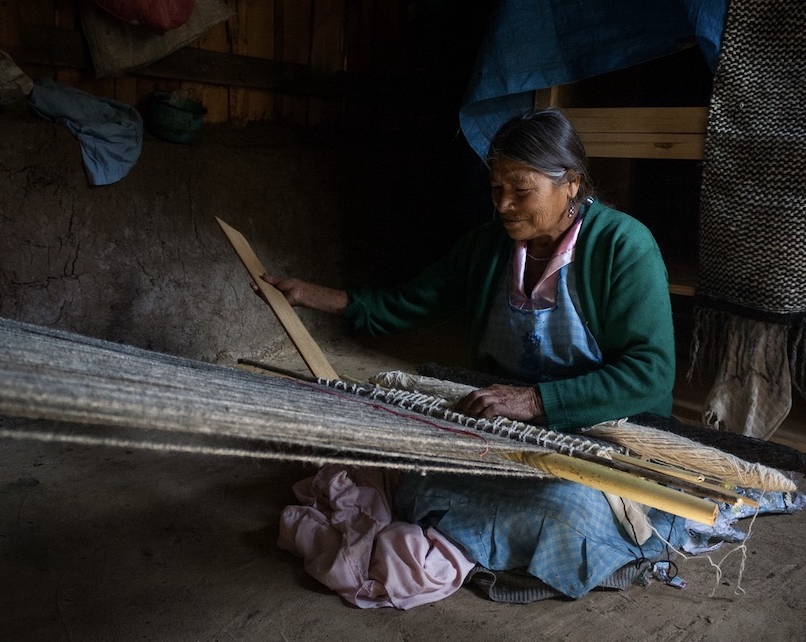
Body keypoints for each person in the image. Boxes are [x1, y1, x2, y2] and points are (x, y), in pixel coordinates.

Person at [259, 108, 684, 603]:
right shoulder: (487, 248)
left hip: (600, 433)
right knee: (408, 463)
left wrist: (534, 400)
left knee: (566, 505)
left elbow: (651, 375)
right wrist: (310, 296)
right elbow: (407, 302)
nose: (502, 204)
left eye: (520, 189)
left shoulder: (623, 246)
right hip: (502, 428)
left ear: (571, 183)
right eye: (495, 188)